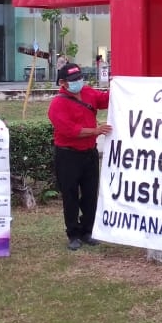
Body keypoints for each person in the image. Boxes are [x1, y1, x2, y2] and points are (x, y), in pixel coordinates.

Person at [49, 64, 111, 251]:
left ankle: (87, 231)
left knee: (91, 194)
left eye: (79, 78)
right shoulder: (57, 104)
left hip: (89, 153)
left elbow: (105, 100)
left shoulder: (88, 92)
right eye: (73, 80)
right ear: (62, 83)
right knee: (70, 195)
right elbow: (69, 131)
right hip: (68, 154)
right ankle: (73, 233)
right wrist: (96, 131)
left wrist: (118, 87)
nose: (78, 82)